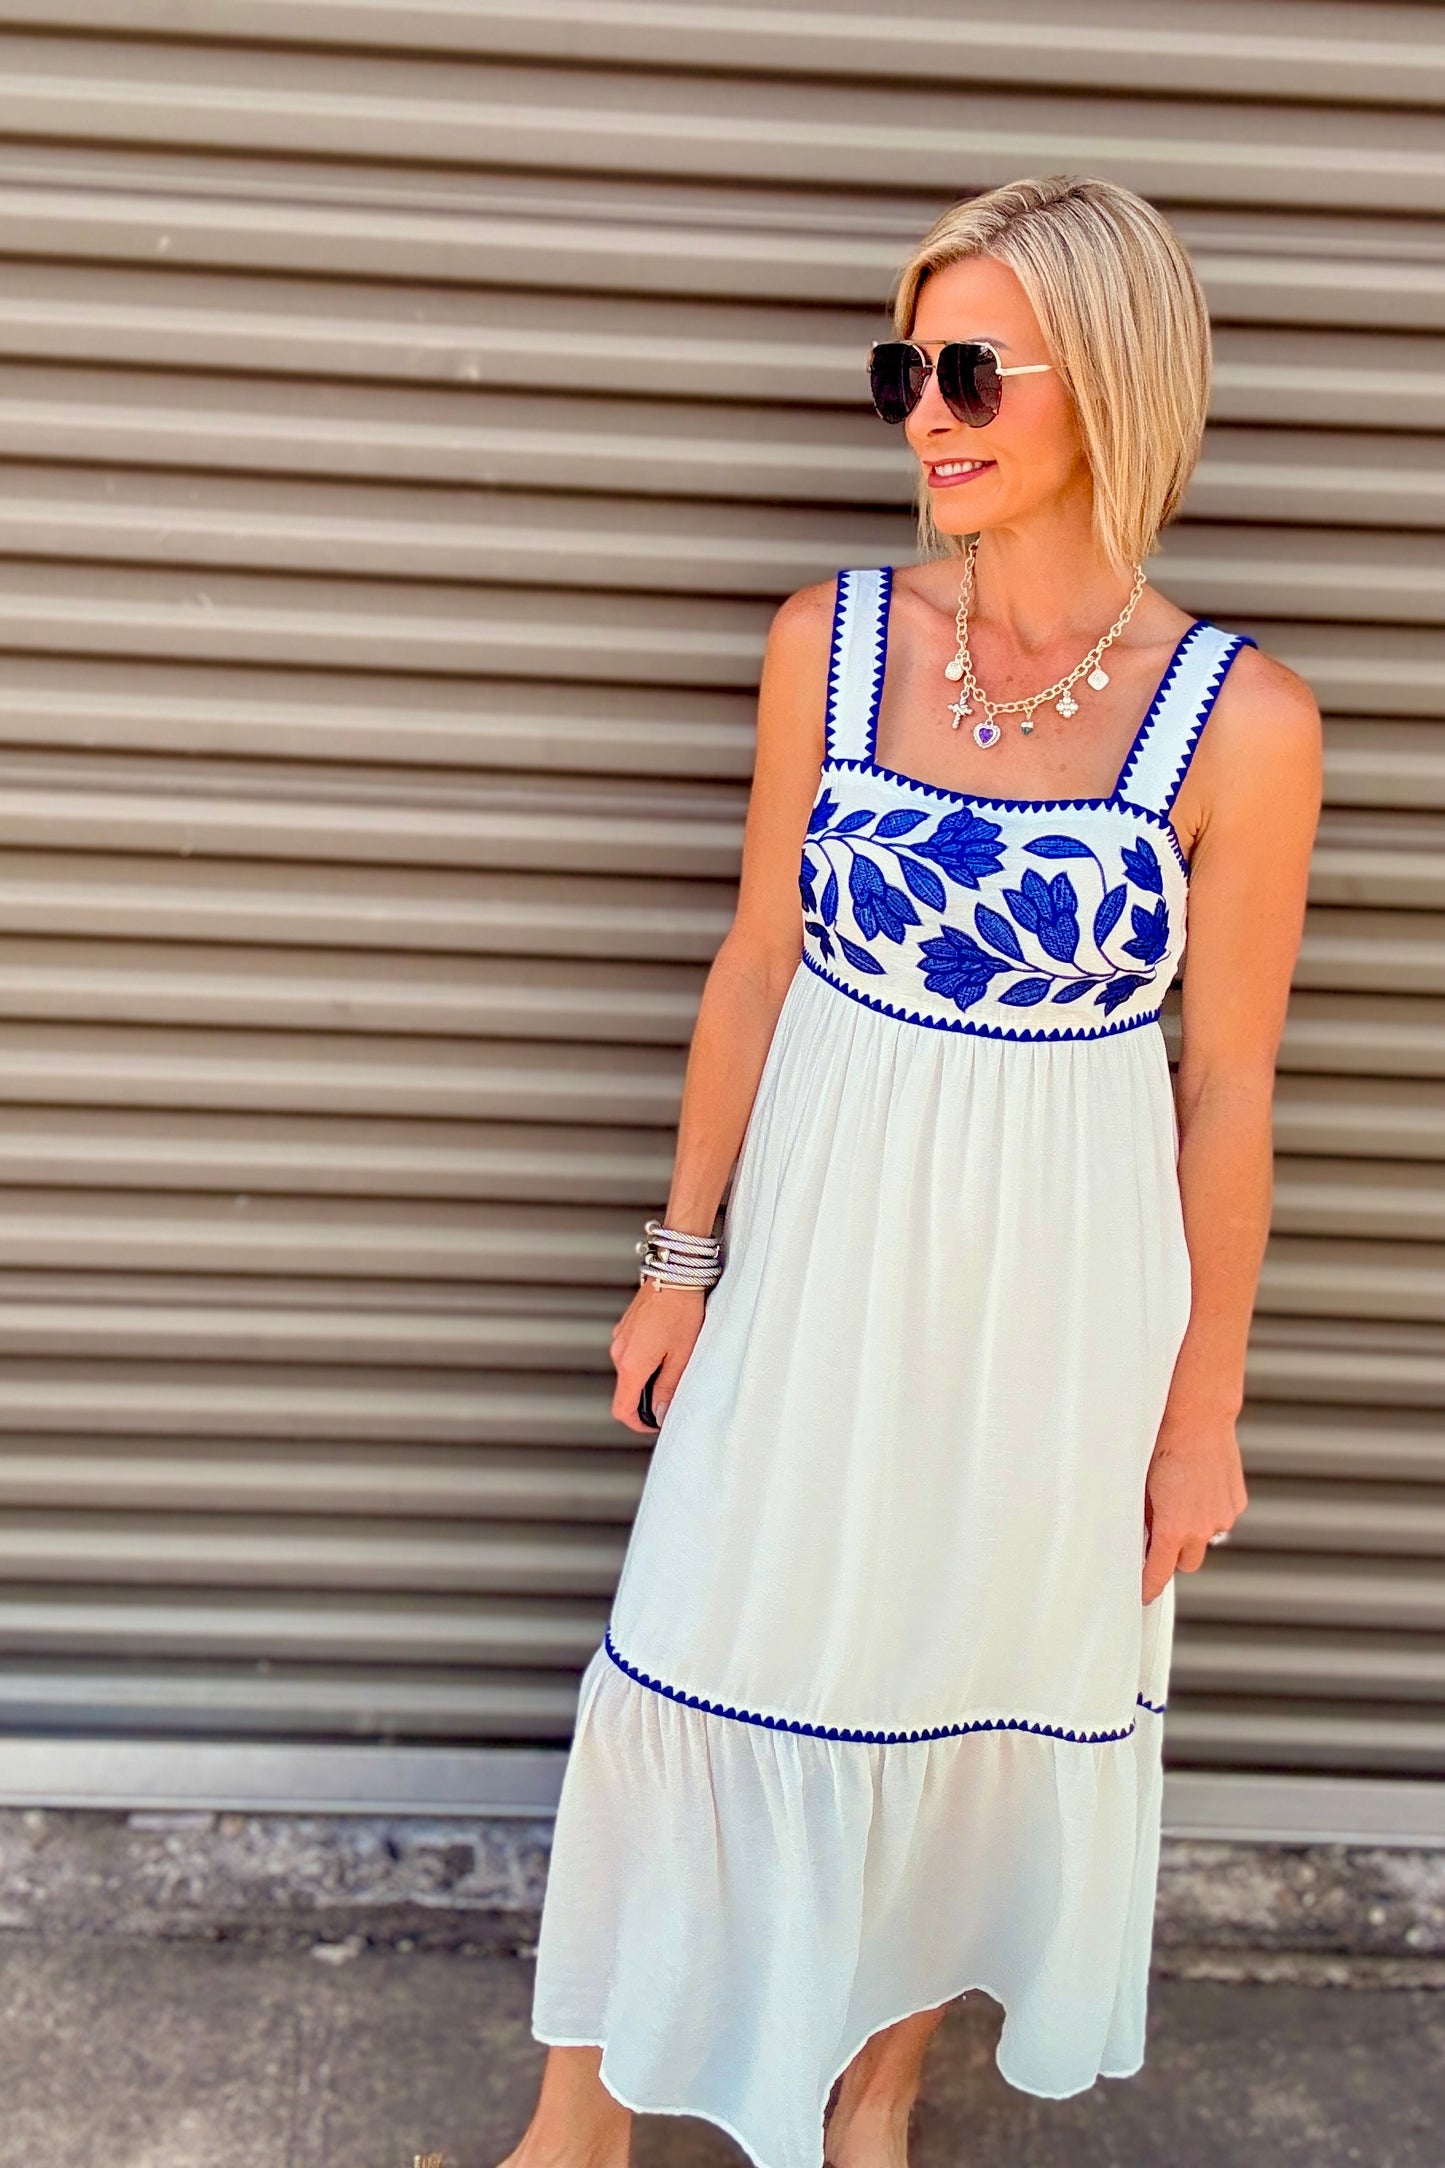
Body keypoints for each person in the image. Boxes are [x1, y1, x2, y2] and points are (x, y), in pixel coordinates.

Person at [496, 172, 1322, 2168]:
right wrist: (681, 1255)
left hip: (1064, 1299)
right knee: (694, 1649)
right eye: (905, 372)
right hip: (817, 1258)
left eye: (972, 373)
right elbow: (757, 956)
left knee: (965, 1690)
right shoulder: (836, 642)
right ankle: (572, 2132)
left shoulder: (1242, 722)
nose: (925, 417)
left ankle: (874, 2093)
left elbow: (1227, 1088)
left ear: (1110, 382)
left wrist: (1200, 1408)